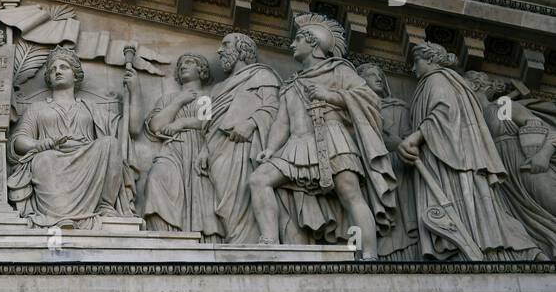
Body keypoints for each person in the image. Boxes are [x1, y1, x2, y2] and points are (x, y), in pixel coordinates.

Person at [249, 15, 395, 259]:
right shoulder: (292, 83)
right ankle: (269, 242)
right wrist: (271, 149)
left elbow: (369, 100)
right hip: (296, 144)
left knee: (349, 194)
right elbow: (282, 122)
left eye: (297, 39)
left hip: (333, 139)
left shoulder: (339, 70)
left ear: (314, 43)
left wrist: (330, 95)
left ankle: (368, 255)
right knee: (258, 179)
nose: (292, 45)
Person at [397, 43, 542, 261]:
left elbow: (445, 111)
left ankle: (488, 248)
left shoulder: (437, 79)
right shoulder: (444, 81)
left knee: (468, 205)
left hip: (452, 159)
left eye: (416, 62)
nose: (413, 70)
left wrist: (415, 138)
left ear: (430, 60)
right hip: (451, 155)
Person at [7, 46, 139, 229]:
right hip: (51, 157)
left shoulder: (89, 107)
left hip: (87, 159)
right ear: (48, 77)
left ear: (75, 75)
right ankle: (59, 215)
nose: (57, 71)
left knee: (110, 143)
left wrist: (135, 92)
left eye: (63, 67)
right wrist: (39, 144)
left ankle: (105, 205)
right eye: (52, 69)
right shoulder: (37, 108)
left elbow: (131, 128)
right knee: (44, 159)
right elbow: (18, 141)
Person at [196, 33, 281, 243]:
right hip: (216, 149)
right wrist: (203, 149)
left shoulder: (264, 75)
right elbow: (204, 124)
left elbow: (274, 108)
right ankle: (235, 240)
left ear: (242, 49)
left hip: (244, 144)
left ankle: (246, 243)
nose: (219, 50)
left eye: (225, 45)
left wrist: (251, 123)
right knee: (224, 200)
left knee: (242, 194)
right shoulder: (213, 91)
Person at [465, 70, 556, 259]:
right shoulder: (472, 119)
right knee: (531, 221)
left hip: (527, 164)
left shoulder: (502, 105)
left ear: (474, 86)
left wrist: (543, 155)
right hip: (505, 177)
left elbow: (546, 131)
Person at [142, 52, 218, 238]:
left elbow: (209, 122)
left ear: (202, 70)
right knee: (156, 177)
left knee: (200, 195)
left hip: (198, 149)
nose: (183, 66)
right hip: (172, 149)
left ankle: (195, 235)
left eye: (190, 62)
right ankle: (164, 235)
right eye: (181, 64)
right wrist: (179, 101)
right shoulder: (168, 99)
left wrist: (181, 123)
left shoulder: (206, 98)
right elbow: (156, 125)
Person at [356, 62, 419, 260]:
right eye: (371, 74)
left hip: (398, 168)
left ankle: (409, 258)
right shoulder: (358, 108)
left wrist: (404, 145)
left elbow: (409, 137)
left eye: (380, 75)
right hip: (372, 169)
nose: (378, 78)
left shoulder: (399, 107)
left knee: (402, 217)